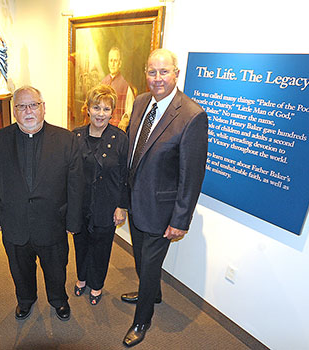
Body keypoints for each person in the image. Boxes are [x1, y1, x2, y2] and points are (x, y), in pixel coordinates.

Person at [120, 49, 208, 347]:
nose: (157, 78)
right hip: (135, 201)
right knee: (142, 259)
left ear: (176, 73)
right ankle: (152, 291)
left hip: (162, 210)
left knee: (147, 262)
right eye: (151, 72)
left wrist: (180, 220)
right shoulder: (142, 101)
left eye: (163, 72)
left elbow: (191, 175)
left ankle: (142, 320)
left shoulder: (192, 116)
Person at [0, 85, 83, 321]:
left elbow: (76, 186)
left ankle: (59, 300)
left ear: (43, 108)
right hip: (14, 222)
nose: (28, 111)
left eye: (33, 105)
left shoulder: (66, 139)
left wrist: (73, 222)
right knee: (19, 269)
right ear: (15, 111)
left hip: (52, 223)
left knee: (56, 269)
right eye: (22, 106)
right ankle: (25, 300)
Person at [72, 84, 128, 305]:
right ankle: (82, 277)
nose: (101, 114)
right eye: (97, 108)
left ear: (112, 112)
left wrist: (121, 206)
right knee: (81, 244)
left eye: (106, 109)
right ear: (88, 109)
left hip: (107, 204)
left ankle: (97, 285)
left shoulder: (120, 138)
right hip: (80, 204)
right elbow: (69, 174)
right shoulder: (75, 136)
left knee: (102, 247)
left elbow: (125, 175)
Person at [100, 47, 135, 131]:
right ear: (108, 63)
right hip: (102, 127)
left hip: (118, 129)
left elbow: (130, 109)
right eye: (111, 61)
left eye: (115, 61)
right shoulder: (102, 84)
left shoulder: (126, 86)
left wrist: (125, 119)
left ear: (120, 63)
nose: (113, 64)